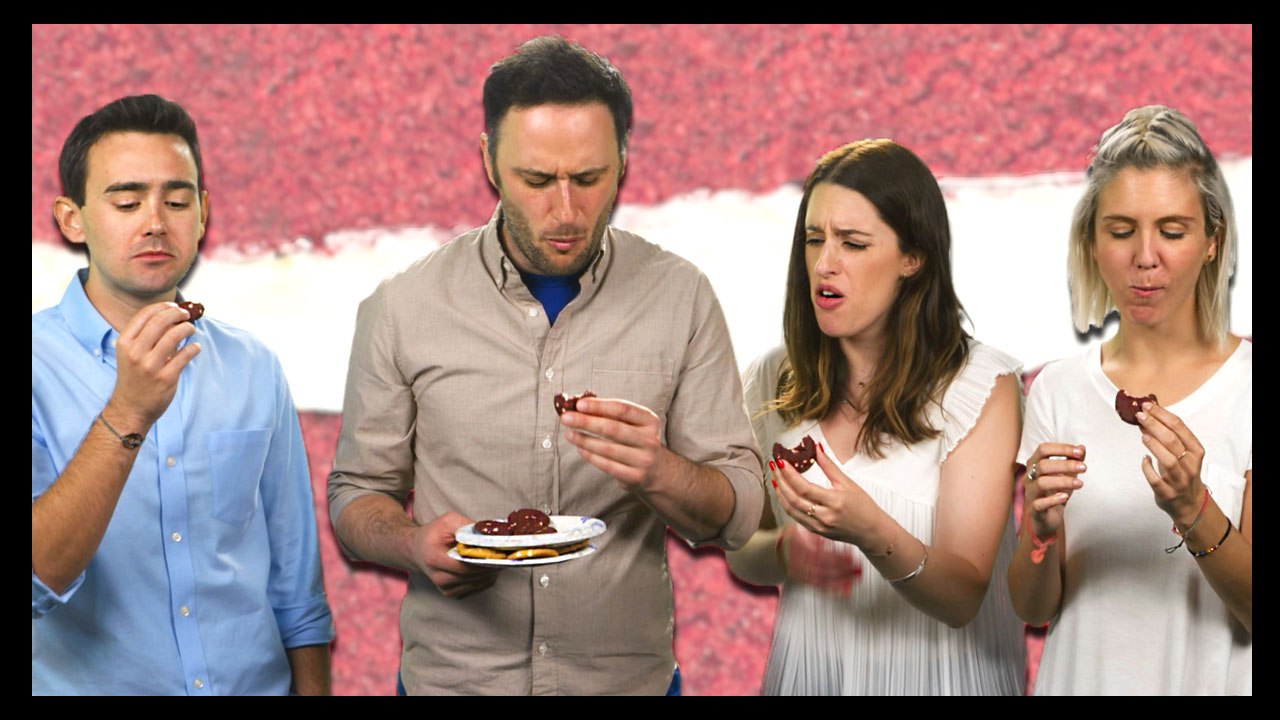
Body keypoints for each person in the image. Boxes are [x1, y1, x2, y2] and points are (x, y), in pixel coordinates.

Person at [326, 35, 764, 696]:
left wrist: (660, 471)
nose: (566, 210)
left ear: (623, 161)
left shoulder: (681, 296)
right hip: (456, 682)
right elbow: (356, 495)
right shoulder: (401, 306)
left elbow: (737, 510)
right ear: (489, 162)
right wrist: (414, 546)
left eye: (590, 179)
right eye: (537, 180)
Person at [31, 94, 334, 695]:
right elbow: (39, 577)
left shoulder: (253, 365)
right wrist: (127, 410)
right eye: (126, 200)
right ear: (72, 218)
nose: (155, 222)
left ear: (202, 215)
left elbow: (296, 585)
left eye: (176, 200)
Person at [726, 139, 1025, 695]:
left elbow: (962, 596)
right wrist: (786, 553)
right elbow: (744, 550)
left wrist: (869, 528)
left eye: (854, 244)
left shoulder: (983, 387)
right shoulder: (773, 377)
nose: (824, 263)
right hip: (811, 672)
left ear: (913, 258)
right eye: (814, 239)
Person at [1009, 106, 1251, 695]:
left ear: (1212, 242)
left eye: (1172, 231)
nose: (1146, 256)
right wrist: (1042, 528)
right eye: (1121, 231)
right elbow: (1033, 607)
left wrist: (1195, 508)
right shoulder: (1057, 389)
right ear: (1092, 243)